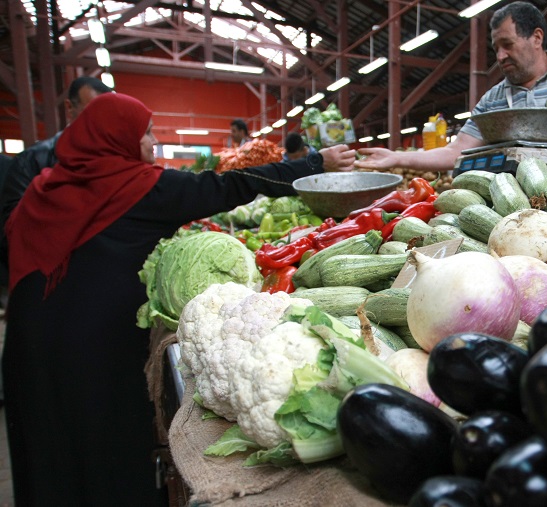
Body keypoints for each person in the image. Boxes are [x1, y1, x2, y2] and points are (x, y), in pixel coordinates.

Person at [1, 92, 356, 506]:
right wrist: (314, 165)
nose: (152, 142)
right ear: (116, 138)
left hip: (30, 346)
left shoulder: (44, 189)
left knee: (49, 452)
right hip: (95, 352)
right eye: (145, 133)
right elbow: (229, 186)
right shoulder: (138, 189)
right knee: (103, 449)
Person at [355, 1, 547, 175]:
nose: (499, 56)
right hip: (521, 214)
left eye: (507, 45)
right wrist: (396, 157)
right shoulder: (494, 99)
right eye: (495, 48)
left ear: (536, 38)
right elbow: (456, 152)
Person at [0, 76, 113, 264]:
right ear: (70, 108)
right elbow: (12, 229)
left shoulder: (112, 163)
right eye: (92, 111)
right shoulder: (32, 161)